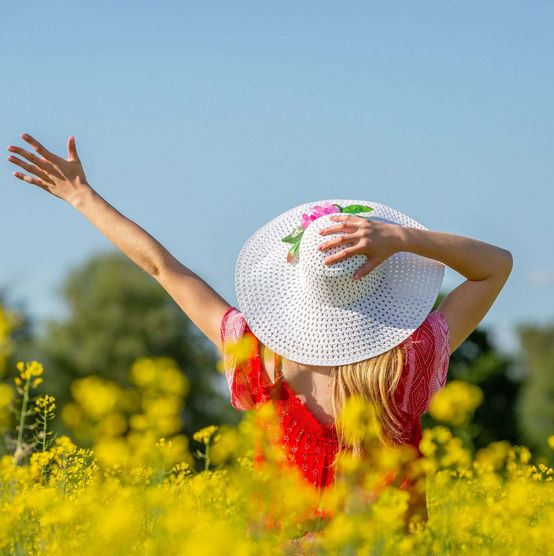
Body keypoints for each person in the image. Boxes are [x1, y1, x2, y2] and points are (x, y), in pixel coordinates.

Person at [6, 133, 513, 533]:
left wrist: (81, 196)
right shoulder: (411, 358)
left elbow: (163, 269)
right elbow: (495, 267)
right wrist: (405, 239)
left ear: (297, 283)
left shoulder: (256, 353)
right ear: (384, 282)